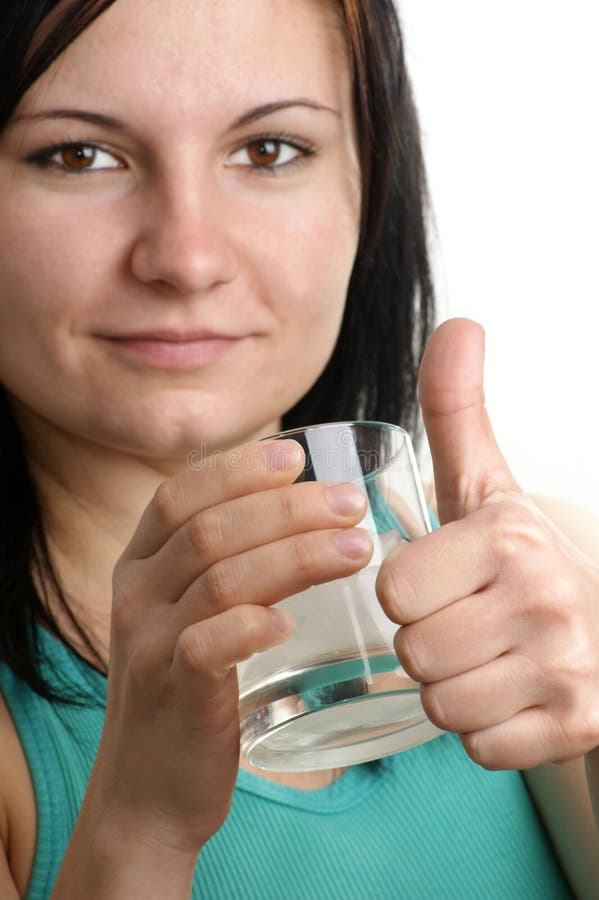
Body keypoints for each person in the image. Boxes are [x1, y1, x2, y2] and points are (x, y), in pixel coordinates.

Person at [0, 0, 597, 897]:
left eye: (268, 150)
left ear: (368, 187)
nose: (187, 257)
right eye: (77, 154)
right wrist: (139, 828)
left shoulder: (540, 584)